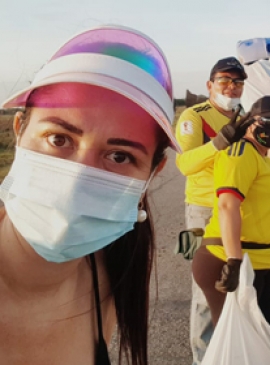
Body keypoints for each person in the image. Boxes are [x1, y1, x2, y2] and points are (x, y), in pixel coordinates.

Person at [0, 25, 179, 365]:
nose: (76, 179)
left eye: (119, 157)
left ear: (150, 176)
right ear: (20, 131)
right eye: (58, 139)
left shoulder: (108, 279)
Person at [192, 96, 270, 331]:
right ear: (250, 122)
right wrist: (233, 262)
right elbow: (227, 205)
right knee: (238, 342)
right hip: (229, 262)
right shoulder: (240, 152)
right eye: (268, 120)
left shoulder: (266, 162)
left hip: (261, 262)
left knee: (264, 338)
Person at [174, 56, 251, 363]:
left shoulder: (244, 115)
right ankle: (203, 358)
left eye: (238, 82)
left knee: (236, 285)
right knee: (204, 291)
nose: (231, 87)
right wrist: (218, 142)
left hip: (237, 208)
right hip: (201, 211)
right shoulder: (193, 116)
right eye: (224, 80)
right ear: (210, 85)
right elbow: (184, 164)